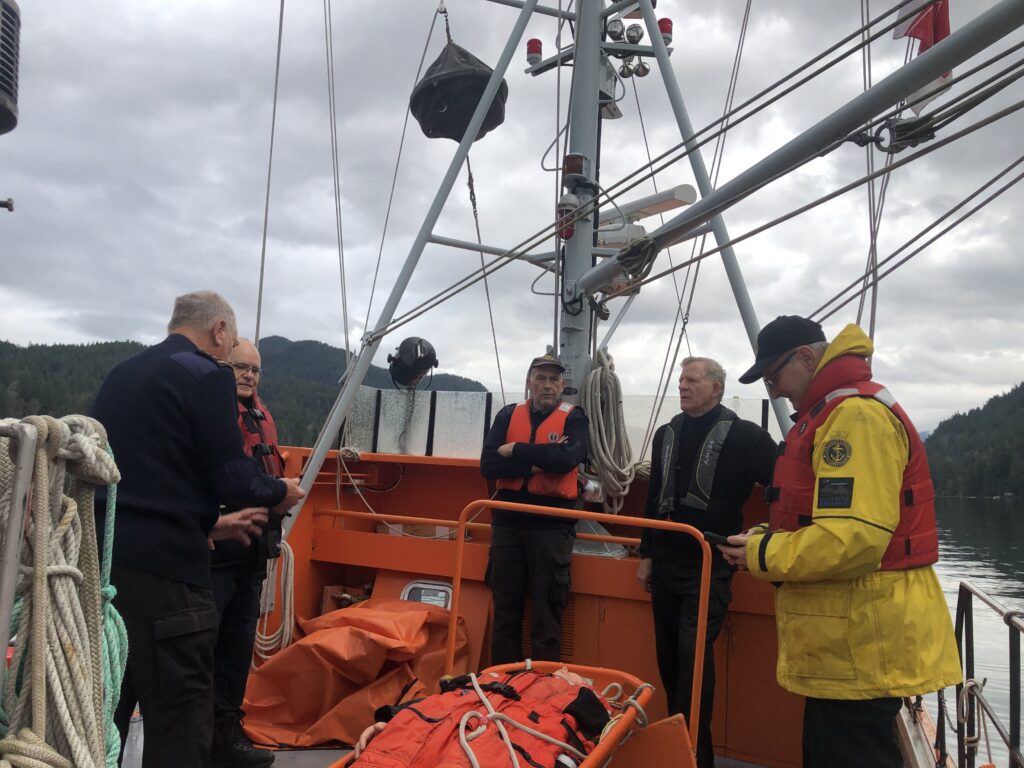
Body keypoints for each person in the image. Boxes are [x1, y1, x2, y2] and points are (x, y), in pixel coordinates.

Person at [719, 316, 961, 768]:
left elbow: (854, 539)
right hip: (849, 645)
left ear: (806, 357)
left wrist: (762, 553)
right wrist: (768, 536)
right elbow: (836, 522)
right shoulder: (839, 414)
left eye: (773, 377)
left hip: (863, 644)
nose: (775, 391)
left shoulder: (855, 419)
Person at [93, 291, 305, 768]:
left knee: (110, 706)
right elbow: (233, 476)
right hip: (170, 578)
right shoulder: (205, 374)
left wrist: (211, 523)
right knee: (181, 716)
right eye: (232, 344)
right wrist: (278, 491)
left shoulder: (121, 374)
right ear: (219, 330)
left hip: (108, 570)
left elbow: (146, 474)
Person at [636, 357, 775, 768]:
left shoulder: (747, 437)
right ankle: (680, 750)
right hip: (665, 563)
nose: (682, 386)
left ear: (716, 388)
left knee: (693, 661)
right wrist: (646, 554)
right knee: (668, 659)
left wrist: (767, 534)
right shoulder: (666, 434)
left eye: (692, 380)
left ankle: (696, 756)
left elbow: (785, 484)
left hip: (709, 564)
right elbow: (653, 497)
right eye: (681, 380)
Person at [480, 354, 589, 665]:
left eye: (554, 379)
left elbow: (566, 459)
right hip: (507, 527)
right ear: (530, 383)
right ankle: (501, 681)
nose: (547, 385)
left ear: (562, 386)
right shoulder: (507, 415)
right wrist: (539, 463)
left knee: (547, 616)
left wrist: (515, 450)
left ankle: (544, 686)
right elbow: (489, 465)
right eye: (541, 378)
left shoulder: (575, 418)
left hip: (551, 528)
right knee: (505, 614)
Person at [209, 338, 286, 768]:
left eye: (255, 370)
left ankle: (227, 735)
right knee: (206, 646)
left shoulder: (258, 413)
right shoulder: (210, 414)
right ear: (223, 366)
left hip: (254, 551)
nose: (249, 376)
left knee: (238, 647)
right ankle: (200, 738)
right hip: (217, 550)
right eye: (240, 367)